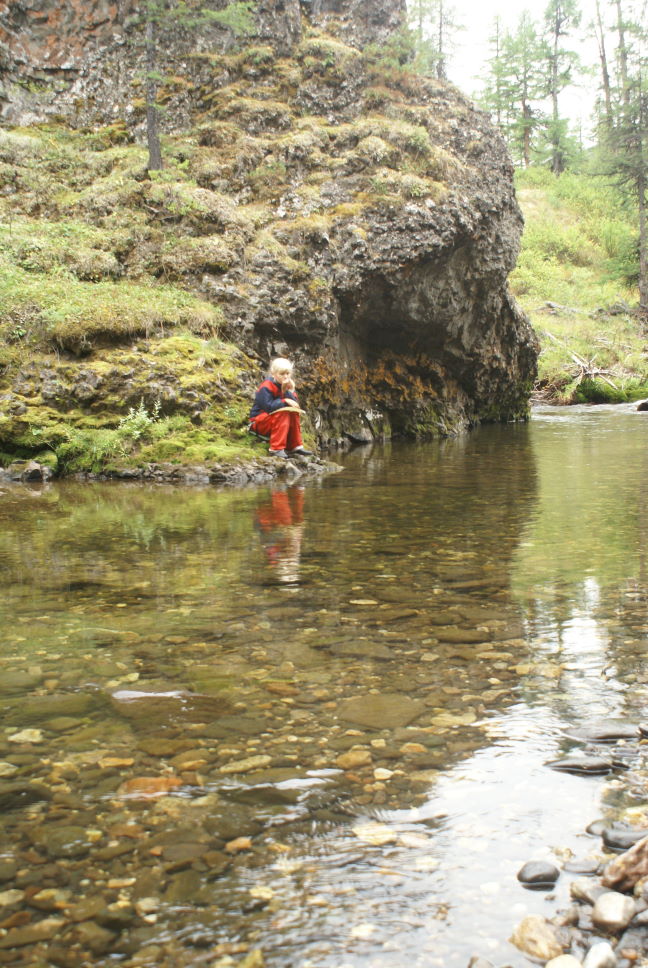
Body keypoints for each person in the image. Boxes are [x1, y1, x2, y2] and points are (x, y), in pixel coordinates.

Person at [249, 358, 313, 458]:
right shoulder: (266, 386)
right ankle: (276, 448)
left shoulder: (286, 385)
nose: (286, 377)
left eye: (288, 373)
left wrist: (289, 391)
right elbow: (269, 407)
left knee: (293, 412)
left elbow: (294, 404)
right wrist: (284, 400)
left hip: (274, 421)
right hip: (258, 423)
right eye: (282, 374)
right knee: (283, 412)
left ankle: (295, 446)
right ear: (273, 374)